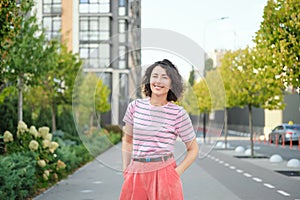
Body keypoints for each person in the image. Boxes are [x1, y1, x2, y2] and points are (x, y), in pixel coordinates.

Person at [119, 59, 199, 200]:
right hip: (136, 172)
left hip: (164, 172)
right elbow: (127, 140)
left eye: (164, 77)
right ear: (149, 80)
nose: (158, 81)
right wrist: (126, 169)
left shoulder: (178, 113)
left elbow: (193, 149)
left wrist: (176, 172)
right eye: (155, 76)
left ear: (172, 83)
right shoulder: (135, 107)